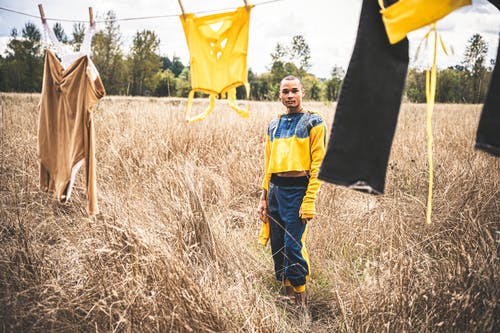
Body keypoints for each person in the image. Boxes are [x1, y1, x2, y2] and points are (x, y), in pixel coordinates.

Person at [257, 75, 326, 307]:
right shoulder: (273, 125)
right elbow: (268, 165)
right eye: (285, 91)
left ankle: (301, 299)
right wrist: (264, 197)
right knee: (277, 245)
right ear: (280, 95)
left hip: (297, 191)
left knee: (292, 245)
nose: (289, 96)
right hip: (276, 190)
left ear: (302, 92)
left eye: (294, 91)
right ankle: (287, 296)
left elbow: (318, 165)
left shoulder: (313, 122)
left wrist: (310, 199)